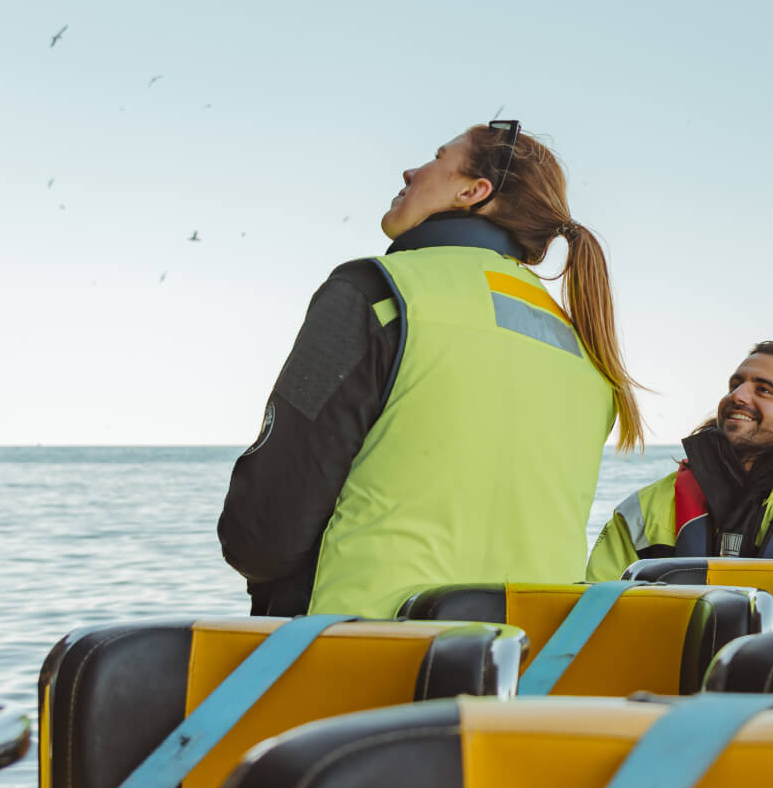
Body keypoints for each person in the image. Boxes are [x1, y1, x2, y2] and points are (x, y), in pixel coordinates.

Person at [217, 120, 642, 617]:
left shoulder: (375, 291)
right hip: (527, 659)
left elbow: (266, 533)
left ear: (473, 191)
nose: (410, 169)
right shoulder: (584, 350)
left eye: (436, 158)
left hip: (369, 651)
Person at [587, 341, 773, 580]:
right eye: (735, 385)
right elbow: (597, 615)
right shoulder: (646, 509)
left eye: (763, 390)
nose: (737, 396)